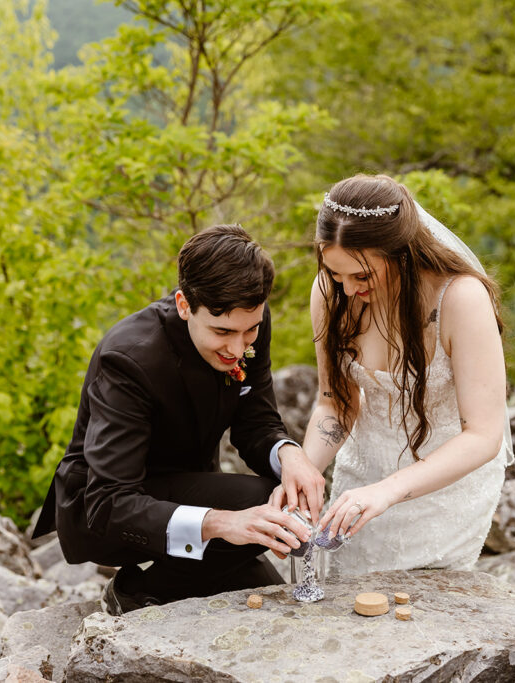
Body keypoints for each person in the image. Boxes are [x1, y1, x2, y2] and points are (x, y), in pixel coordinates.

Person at [33, 224, 324, 613]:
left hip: (189, 485)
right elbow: (109, 501)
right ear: (185, 305)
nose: (238, 349)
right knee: (258, 504)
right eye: (222, 332)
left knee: (272, 560)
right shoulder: (127, 358)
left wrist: (291, 455)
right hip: (107, 510)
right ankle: (133, 590)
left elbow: (256, 422)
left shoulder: (248, 318)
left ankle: (180, 577)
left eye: (249, 331)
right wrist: (221, 524)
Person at [297, 174, 515, 576]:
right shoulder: (331, 292)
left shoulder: (460, 299)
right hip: (362, 473)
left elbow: (484, 435)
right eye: (335, 273)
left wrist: (389, 490)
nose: (345, 290)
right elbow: (336, 403)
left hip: (445, 486)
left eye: (362, 276)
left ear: (403, 255)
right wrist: (305, 474)